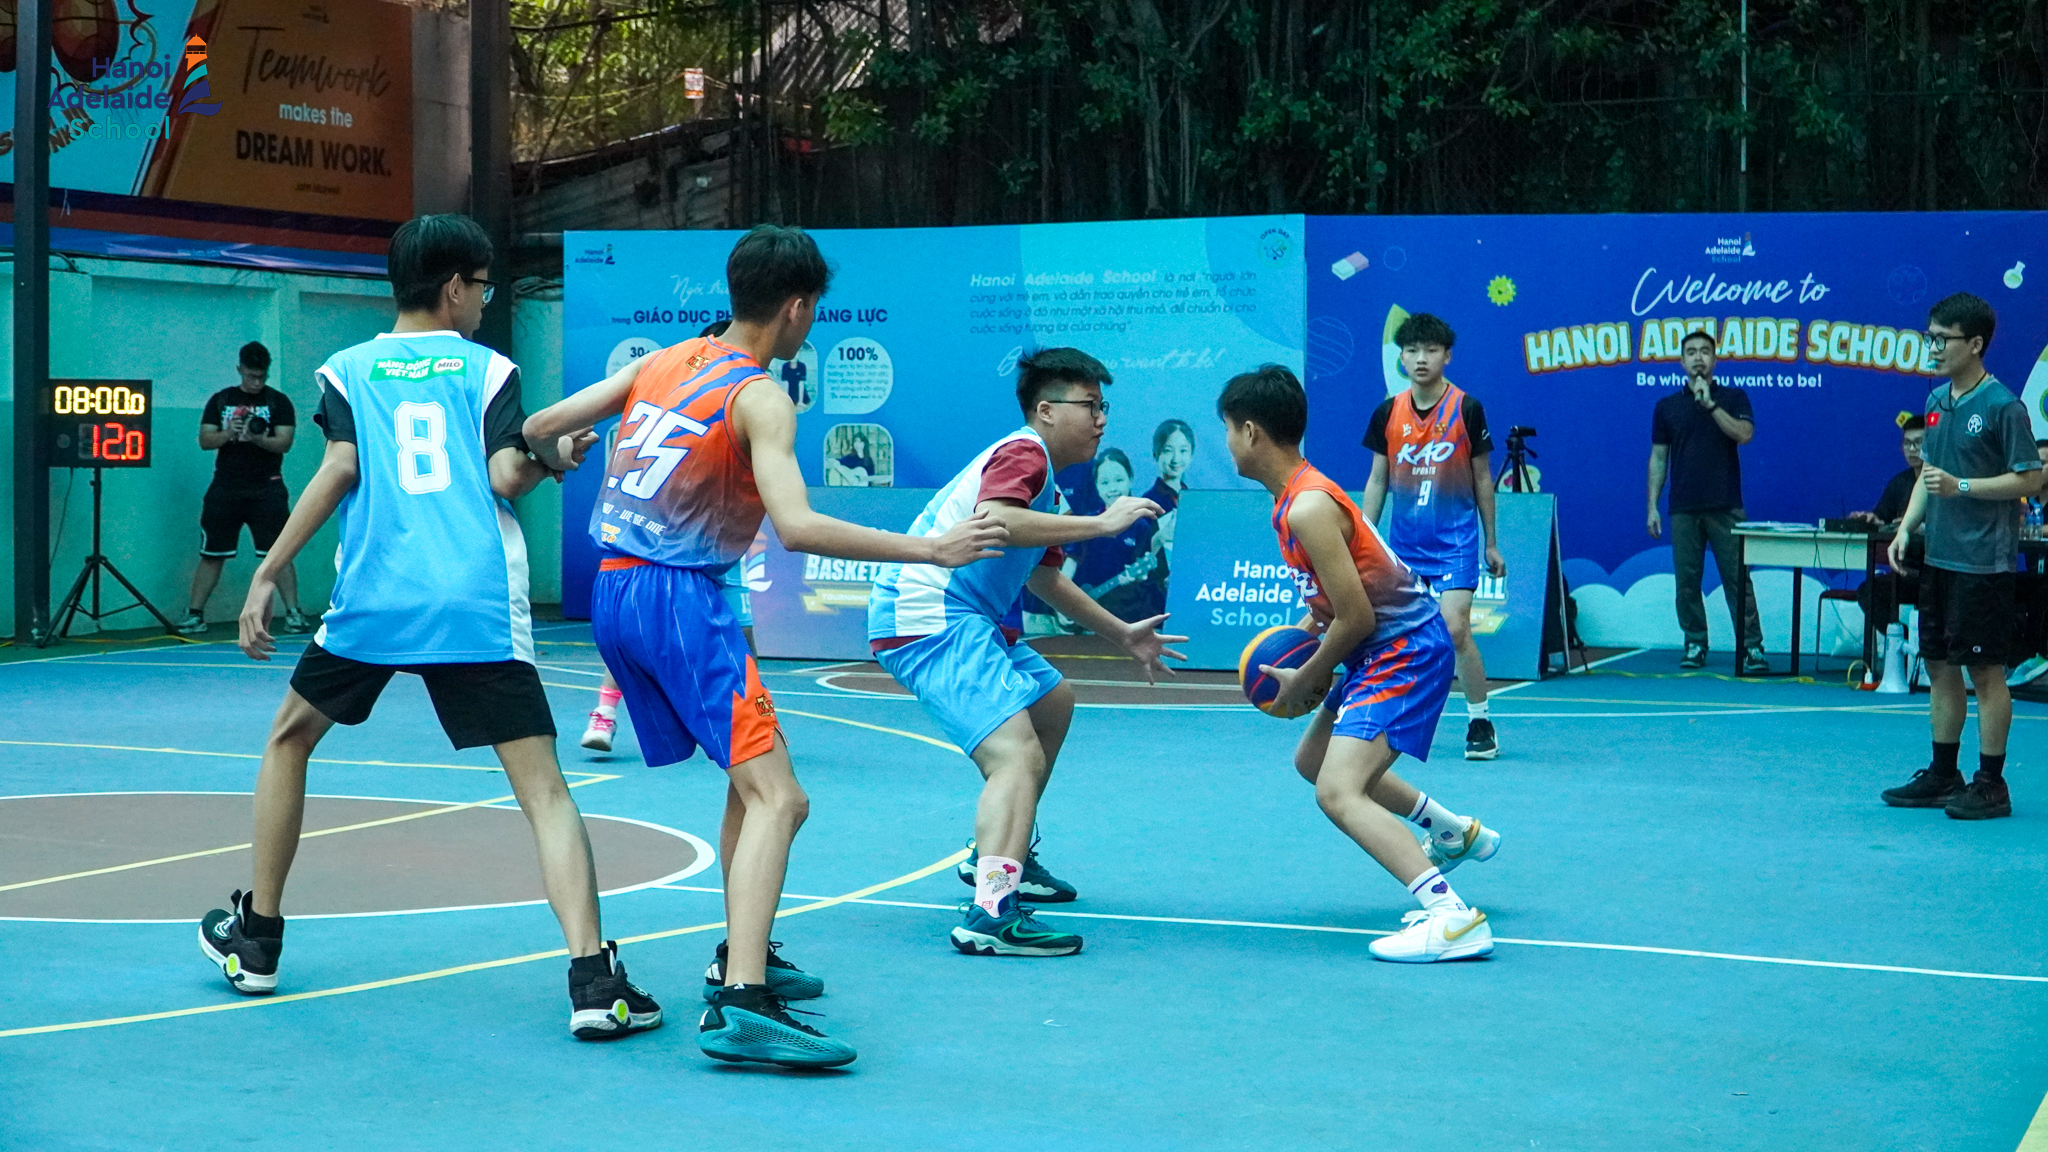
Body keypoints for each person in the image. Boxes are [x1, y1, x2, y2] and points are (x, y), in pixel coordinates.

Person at [523, 224, 1006, 1067]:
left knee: (749, 786)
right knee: (782, 798)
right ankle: (742, 1003)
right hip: (681, 601)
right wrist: (933, 550)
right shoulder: (759, 396)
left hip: (615, 591)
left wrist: (562, 454)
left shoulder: (667, 360)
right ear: (798, 307)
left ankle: (739, 956)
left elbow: (539, 425)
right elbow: (798, 526)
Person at [196, 213, 664, 1042]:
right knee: (544, 792)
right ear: (453, 287)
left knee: (289, 739)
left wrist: (267, 571)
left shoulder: (346, 369)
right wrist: (552, 458)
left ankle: (258, 939)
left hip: (377, 600)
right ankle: (595, 982)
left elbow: (339, 470)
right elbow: (504, 475)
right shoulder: (488, 369)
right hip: (472, 600)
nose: (485, 299)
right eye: (482, 286)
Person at [866, 347, 1185, 958]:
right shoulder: (1024, 453)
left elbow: (1043, 577)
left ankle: (1002, 853)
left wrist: (1123, 634)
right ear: (1046, 410)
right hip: (932, 613)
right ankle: (991, 911)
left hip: (967, 618)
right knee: (1014, 755)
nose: (1101, 419)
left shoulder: (1044, 482)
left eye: (1104, 407)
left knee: (1052, 701)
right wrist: (1101, 524)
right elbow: (997, 521)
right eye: (1089, 405)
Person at [1220, 364, 1498, 963]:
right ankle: (1451, 831)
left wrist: (1307, 675)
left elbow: (1357, 619)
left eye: (1227, 429)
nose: (1227, 443)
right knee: (1313, 761)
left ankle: (1452, 918)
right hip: (1382, 651)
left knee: (1338, 791)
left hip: (1405, 652)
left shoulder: (1308, 508)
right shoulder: (1292, 501)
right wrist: (1302, 641)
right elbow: (1334, 605)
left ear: (1249, 432)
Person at [1880, 293, 2044, 820]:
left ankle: (1991, 783)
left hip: (1984, 565)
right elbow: (1929, 476)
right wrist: (1907, 526)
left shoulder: (2003, 406)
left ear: (1974, 344)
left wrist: (1962, 486)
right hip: (1940, 561)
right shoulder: (1936, 402)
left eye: (1941, 340)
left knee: (1985, 672)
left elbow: (2030, 478)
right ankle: (1942, 773)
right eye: (1929, 338)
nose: (1932, 348)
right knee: (1938, 665)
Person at [1359, 313, 1507, 760]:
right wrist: (1364, 536)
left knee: (1455, 628)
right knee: (1395, 636)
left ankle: (1480, 720)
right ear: (1401, 358)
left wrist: (1491, 541)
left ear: (1447, 356)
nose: (1421, 358)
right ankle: (1391, 714)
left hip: (1455, 543)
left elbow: (1483, 478)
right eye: (1412, 350)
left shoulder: (1467, 408)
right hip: (1404, 546)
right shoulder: (1387, 412)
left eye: (1431, 350)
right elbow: (1377, 480)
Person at [1646, 329, 1767, 674]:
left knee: (1737, 579)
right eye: (1691, 352)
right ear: (1681, 361)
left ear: (1714, 360)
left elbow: (1744, 434)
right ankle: (1695, 642)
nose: (1698, 357)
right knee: (1686, 582)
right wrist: (1652, 505)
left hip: (1726, 505)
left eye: (1704, 351)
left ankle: (1752, 647)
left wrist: (1710, 405)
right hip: (1684, 507)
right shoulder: (1666, 406)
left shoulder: (1733, 397)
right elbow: (1658, 458)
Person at [179, 341, 313, 636]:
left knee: (278, 553)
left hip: (267, 488)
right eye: (251, 376)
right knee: (212, 553)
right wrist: (230, 433)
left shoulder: (278, 402)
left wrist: (258, 438)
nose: (256, 382)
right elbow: (205, 440)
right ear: (239, 369)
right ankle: (194, 614)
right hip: (225, 487)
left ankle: (294, 613)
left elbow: (284, 442)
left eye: (261, 377)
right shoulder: (221, 400)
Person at [1064, 448, 1165, 622]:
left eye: (1119, 480)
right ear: (1096, 486)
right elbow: (1070, 564)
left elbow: (1147, 572)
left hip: (1127, 613)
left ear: (1130, 479)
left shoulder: (1142, 526)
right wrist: (1062, 604)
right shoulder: (1087, 522)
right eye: (1104, 482)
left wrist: (1138, 577)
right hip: (1085, 614)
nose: (1112, 488)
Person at [1849, 415, 1926, 630]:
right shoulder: (1899, 482)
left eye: (1918, 443)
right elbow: (1882, 517)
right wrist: (1873, 520)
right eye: (1907, 443)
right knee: (1868, 592)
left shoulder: (1943, 481)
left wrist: (1921, 528)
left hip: (1939, 570)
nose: (1912, 449)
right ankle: (1903, 641)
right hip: (1905, 569)